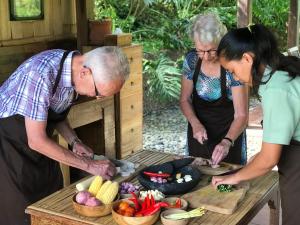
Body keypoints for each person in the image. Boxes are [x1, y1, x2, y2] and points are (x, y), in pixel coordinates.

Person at [0, 46, 130, 225]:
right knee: (20, 214)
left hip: (37, 142)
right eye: (99, 93)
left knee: (53, 201)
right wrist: (90, 165)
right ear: (85, 73)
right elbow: (36, 140)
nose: (97, 98)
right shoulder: (41, 74)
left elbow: (55, 113)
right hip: (8, 147)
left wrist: (74, 142)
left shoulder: (73, 72)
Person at [212, 24, 300, 225]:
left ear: (247, 59)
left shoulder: (277, 89)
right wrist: (259, 157)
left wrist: (234, 177)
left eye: (232, 71)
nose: (235, 78)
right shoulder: (278, 72)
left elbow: (269, 160)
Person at [180, 13, 248, 165]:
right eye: (200, 50)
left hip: (230, 133)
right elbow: (184, 100)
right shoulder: (191, 60)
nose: (205, 56)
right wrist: (195, 123)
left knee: (229, 179)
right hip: (199, 132)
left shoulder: (232, 65)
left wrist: (227, 142)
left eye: (211, 50)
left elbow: (241, 115)